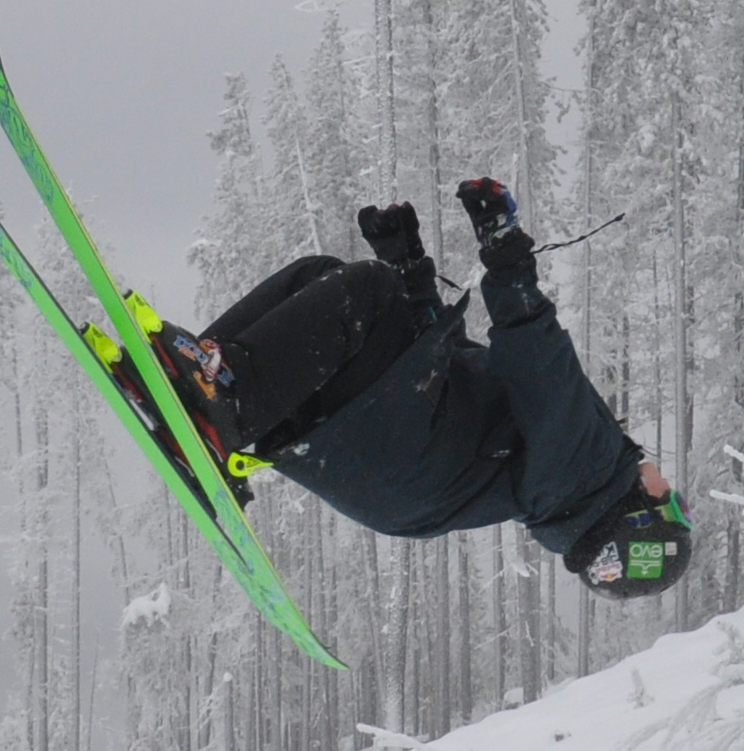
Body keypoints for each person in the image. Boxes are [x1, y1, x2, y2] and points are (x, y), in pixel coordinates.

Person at [140, 179, 688, 599]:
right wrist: (410, 270)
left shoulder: (592, 468)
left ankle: (220, 399)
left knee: (364, 293)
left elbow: (539, 362)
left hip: (400, 450)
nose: (664, 478)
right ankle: (204, 387)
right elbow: (447, 363)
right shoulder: (559, 489)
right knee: (326, 276)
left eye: (670, 498)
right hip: (388, 463)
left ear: (638, 517)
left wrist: (506, 257)